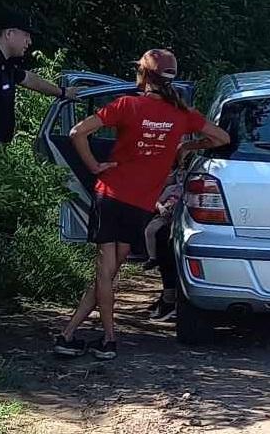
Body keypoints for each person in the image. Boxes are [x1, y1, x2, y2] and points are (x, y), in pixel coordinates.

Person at [53, 49, 230, 360]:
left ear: (144, 75)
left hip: (110, 194)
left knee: (104, 273)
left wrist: (95, 167)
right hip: (139, 204)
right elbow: (221, 138)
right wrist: (186, 145)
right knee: (108, 272)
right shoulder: (182, 114)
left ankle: (107, 340)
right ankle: (69, 334)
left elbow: (77, 132)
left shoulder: (127, 105)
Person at [0, 9, 80, 142]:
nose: (29, 42)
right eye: (26, 35)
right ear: (9, 33)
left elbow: (30, 80)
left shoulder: (6, 65)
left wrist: (62, 92)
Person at [142, 168, 184, 272]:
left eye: (184, 175)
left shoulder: (189, 189)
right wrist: (161, 208)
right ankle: (153, 258)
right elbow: (157, 201)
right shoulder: (170, 189)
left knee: (172, 236)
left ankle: (172, 262)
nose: (181, 178)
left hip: (179, 218)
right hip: (165, 215)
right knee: (150, 230)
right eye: (179, 175)